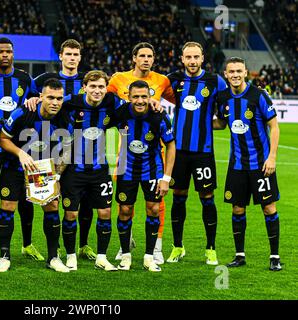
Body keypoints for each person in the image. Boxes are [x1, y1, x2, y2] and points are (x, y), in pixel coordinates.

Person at [0, 37, 42, 261]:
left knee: (24, 196)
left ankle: (27, 244)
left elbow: (35, 103)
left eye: (8, 51)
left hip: (17, 146)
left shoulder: (24, 78)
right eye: (0, 51)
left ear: (13, 54)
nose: (5, 55)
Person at [108, 42, 176, 264]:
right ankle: (124, 247)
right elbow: (101, 99)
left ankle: (155, 248)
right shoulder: (118, 79)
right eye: (142, 55)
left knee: (155, 206)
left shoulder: (162, 81)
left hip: (153, 158)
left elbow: (182, 101)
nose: (146, 59)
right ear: (134, 58)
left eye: (150, 55)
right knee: (125, 207)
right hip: (125, 158)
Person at [0, 78, 71, 273]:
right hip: (15, 167)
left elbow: (69, 146)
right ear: (40, 97)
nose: (55, 102)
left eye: (59, 98)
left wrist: (58, 174)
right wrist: (20, 153)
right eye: (50, 98)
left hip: (43, 169)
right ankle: (4, 256)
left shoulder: (64, 117)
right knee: (7, 207)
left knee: (52, 207)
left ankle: (53, 257)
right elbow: (2, 139)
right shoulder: (23, 113)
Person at [214, 57, 282, 271]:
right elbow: (221, 123)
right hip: (237, 166)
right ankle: (240, 255)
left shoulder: (258, 95)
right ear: (226, 74)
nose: (235, 74)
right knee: (237, 208)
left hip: (261, 165)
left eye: (239, 71)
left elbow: (274, 127)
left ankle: (275, 257)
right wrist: (195, 119)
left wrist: (271, 157)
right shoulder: (223, 97)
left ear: (246, 73)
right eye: (231, 71)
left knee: (269, 208)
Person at [34, 39, 96, 261]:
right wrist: (32, 98)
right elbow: (30, 97)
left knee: (83, 201)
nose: (72, 57)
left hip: (83, 150)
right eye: (68, 54)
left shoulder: (88, 81)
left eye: (76, 54)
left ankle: (84, 245)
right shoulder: (45, 80)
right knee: (50, 201)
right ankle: (54, 247)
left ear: (80, 57)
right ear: (60, 56)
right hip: (50, 150)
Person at [166, 41, 227, 265]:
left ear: (202, 58)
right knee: (178, 198)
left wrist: (205, 124)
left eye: (196, 57)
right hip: (178, 152)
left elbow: (223, 118)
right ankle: (177, 247)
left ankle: (210, 249)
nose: (192, 61)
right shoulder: (172, 80)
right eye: (188, 57)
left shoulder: (215, 81)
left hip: (203, 152)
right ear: (182, 59)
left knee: (207, 199)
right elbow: (153, 94)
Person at [60, 70, 124, 271]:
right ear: (84, 87)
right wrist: (35, 100)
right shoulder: (70, 102)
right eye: (93, 86)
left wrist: (154, 104)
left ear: (106, 88)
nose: (97, 90)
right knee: (71, 214)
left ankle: (102, 257)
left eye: (101, 87)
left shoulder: (111, 102)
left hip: (100, 170)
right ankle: (71, 256)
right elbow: (49, 103)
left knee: (105, 211)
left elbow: (133, 107)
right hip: (74, 170)